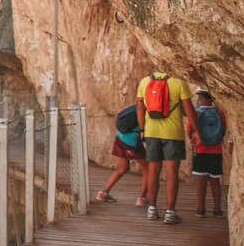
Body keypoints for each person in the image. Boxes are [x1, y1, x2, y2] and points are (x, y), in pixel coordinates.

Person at [136, 69, 197, 225]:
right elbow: (190, 112)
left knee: (153, 171)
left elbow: (140, 108)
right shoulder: (179, 83)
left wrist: (143, 129)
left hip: (151, 132)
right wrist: (197, 131)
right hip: (173, 134)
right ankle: (170, 212)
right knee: (171, 172)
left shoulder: (145, 82)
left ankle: (152, 209)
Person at [95, 105, 150, 206]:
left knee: (122, 168)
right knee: (148, 168)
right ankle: (142, 198)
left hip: (120, 137)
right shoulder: (148, 109)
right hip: (132, 142)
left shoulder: (138, 105)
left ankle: (103, 193)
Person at [189, 88, 226, 218]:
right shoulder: (219, 113)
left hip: (201, 149)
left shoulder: (197, 113)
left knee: (201, 180)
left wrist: (194, 141)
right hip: (216, 150)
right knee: (215, 180)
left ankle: (200, 209)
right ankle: (217, 209)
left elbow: (190, 129)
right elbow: (223, 130)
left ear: (201, 97)